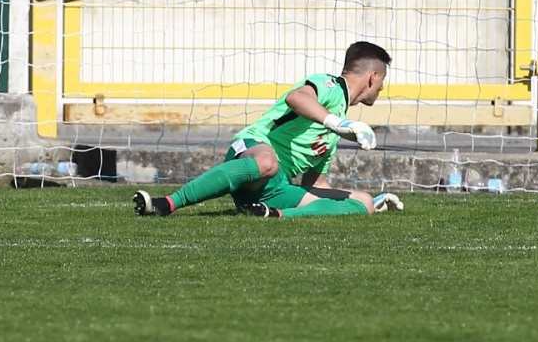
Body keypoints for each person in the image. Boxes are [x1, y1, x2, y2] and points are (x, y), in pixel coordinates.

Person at [132, 41, 404, 219]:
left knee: (363, 202)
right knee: (267, 162)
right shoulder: (329, 86)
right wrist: (338, 123)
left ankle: (272, 214)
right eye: (383, 82)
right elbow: (296, 98)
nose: (381, 89)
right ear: (373, 77)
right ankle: (166, 203)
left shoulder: (337, 125)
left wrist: (350, 199)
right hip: (252, 155)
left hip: (273, 191)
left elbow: (315, 184)